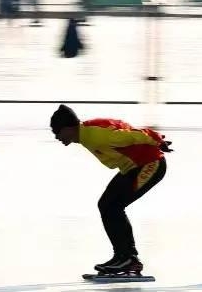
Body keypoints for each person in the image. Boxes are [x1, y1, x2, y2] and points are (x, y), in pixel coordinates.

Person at [49, 105, 172, 275]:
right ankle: (123, 257)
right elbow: (120, 125)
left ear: (68, 128)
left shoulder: (97, 135)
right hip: (133, 167)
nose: (56, 137)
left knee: (113, 206)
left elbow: (130, 135)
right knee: (106, 204)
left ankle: (128, 259)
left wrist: (157, 140)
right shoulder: (87, 133)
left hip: (150, 164)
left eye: (57, 132)